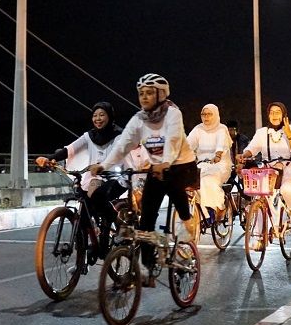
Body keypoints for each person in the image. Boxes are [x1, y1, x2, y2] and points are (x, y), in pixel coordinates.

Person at [90, 73, 197, 288]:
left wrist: (166, 162)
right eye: (141, 94)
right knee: (146, 220)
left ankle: (188, 224)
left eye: (149, 93)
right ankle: (148, 268)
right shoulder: (139, 119)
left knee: (175, 188)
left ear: (161, 94)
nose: (144, 97)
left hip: (181, 165)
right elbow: (123, 145)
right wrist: (104, 165)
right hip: (157, 169)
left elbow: (174, 140)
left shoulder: (173, 114)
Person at [35, 101, 125, 257]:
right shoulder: (89, 136)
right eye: (95, 115)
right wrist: (50, 158)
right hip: (93, 177)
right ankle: (81, 260)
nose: (98, 118)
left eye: (102, 115)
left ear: (110, 117)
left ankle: (119, 224)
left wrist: (103, 165)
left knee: (97, 196)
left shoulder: (119, 135)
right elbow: (69, 149)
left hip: (114, 177)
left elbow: (117, 155)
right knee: (83, 208)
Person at [238, 102, 291, 228]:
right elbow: (252, 148)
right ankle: (259, 237)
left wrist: (289, 133)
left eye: (278, 112)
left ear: (284, 115)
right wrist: (244, 155)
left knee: (287, 189)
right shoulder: (262, 132)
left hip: (289, 168)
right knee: (259, 199)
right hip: (269, 170)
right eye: (271, 112)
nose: (274, 115)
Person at [187, 104, 232, 226]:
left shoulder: (221, 128)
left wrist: (217, 155)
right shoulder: (198, 129)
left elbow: (221, 144)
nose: (206, 117)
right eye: (203, 114)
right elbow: (187, 145)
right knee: (190, 184)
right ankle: (202, 213)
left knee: (208, 181)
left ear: (216, 115)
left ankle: (219, 207)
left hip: (220, 164)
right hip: (202, 165)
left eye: (209, 114)